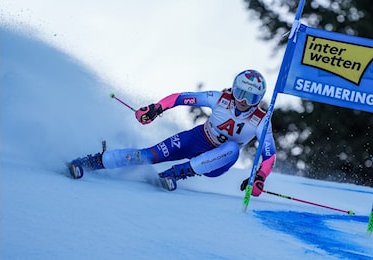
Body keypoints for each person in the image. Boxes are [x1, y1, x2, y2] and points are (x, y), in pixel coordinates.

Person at [68, 69, 276, 196]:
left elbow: (270, 155)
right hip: (196, 139)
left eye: (250, 97)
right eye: (240, 93)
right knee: (148, 155)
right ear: (233, 88)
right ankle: (93, 161)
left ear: (259, 98)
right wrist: (155, 109)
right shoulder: (219, 98)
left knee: (232, 148)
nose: (242, 101)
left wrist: (260, 178)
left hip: (217, 160)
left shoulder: (261, 120)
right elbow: (180, 97)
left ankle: (176, 173)